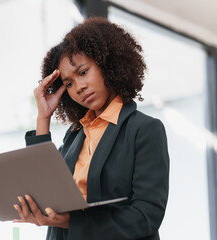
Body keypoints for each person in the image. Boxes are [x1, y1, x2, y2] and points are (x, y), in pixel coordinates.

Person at [13, 17, 169, 240]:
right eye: (68, 83)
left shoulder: (144, 130)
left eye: (83, 72)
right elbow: (44, 188)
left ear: (107, 64)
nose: (79, 87)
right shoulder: (75, 135)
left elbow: (146, 216)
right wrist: (43, 118)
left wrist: (71, 220)